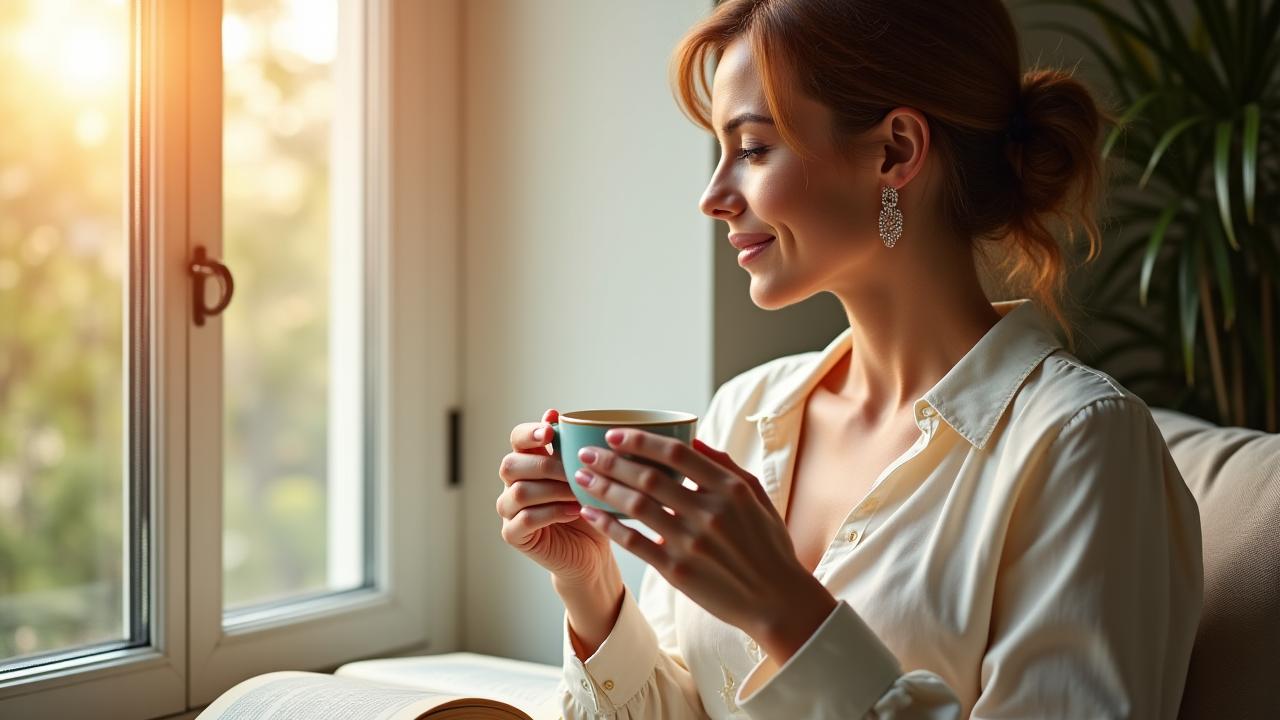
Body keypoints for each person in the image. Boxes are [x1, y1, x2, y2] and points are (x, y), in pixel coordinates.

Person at [495, 0, 1203, 717]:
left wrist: (787, 611)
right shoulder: (746, 409)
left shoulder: (1080, 444)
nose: (712, 197)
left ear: (895, 151)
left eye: (752, 148)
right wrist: (590, 588)